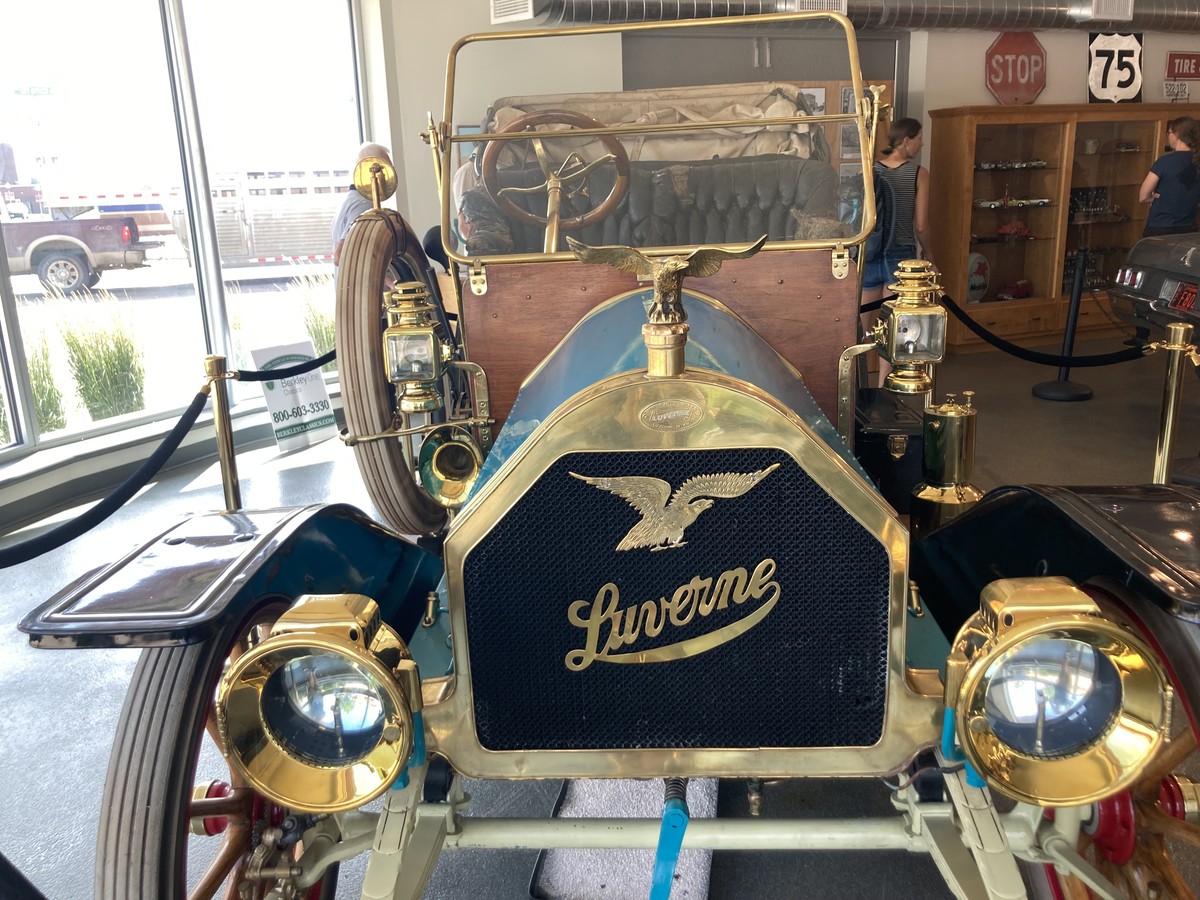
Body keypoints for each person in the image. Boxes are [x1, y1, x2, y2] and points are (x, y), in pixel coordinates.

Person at [860, 117, 933, 383]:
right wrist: (930, 256)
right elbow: (922, 224)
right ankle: (884, 389)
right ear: (906, 141)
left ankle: (854, 390)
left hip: (869, 255)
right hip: (900, 257)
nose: (922, 142)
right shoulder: (918, 173)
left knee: (860, 329)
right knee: (892, 330)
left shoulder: (871, 170)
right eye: (919, 138)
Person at [330, 141, 392, 265]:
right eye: (385, 170)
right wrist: (388, 280)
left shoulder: (348, 201)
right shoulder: (363, 206)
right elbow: (340, 255)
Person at [1139, 116, 1200, 237]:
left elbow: (1143, 196)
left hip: (1161, 227)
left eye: (1169, 132)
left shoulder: (1165, 162)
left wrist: (1157, 197)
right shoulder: (1197, 161)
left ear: (1177, 134)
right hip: (1189, 229)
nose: (1168, 136)